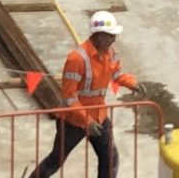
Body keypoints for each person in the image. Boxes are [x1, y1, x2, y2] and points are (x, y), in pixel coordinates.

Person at [29, 11, 129, 178]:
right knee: (56, 159)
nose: (114, 39)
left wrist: (132, 83)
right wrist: (86, 121)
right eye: (110, 36)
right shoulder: (76, 59)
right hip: (73, 121)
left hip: (99, 116)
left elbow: (116, 74)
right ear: (98, 36)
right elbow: (69, 96)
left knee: (110, 158)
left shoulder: (109, 52)